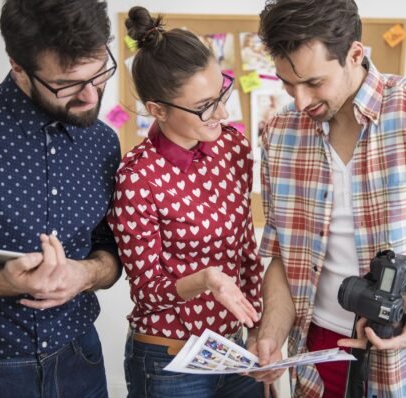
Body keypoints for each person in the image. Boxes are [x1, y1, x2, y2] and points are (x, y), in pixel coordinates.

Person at [249, 0, 406, 396]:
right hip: (318, 360)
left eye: (314, 83)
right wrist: (270, 334)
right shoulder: (280, 134)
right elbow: (284, 258)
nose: (299, 102)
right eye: (287, 84)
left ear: (355, 53)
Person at [0, 0, 121, 396]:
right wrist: (2, 280)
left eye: (100, 73)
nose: (91, 96)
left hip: (81, 360)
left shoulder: (104, 141)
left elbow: (111, 250)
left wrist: (85, 274)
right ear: (18, 66)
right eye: (68, 84)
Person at [106, 6, 264, 398]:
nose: (223, 113)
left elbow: (245, 246)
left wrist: (259, 326)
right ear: (157, 110)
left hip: (233, 348)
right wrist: (207, 280)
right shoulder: (136, 178)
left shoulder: (231, 145)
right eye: (204, 106)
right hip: (170, 360)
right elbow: (146, 291)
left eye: (222, 92)